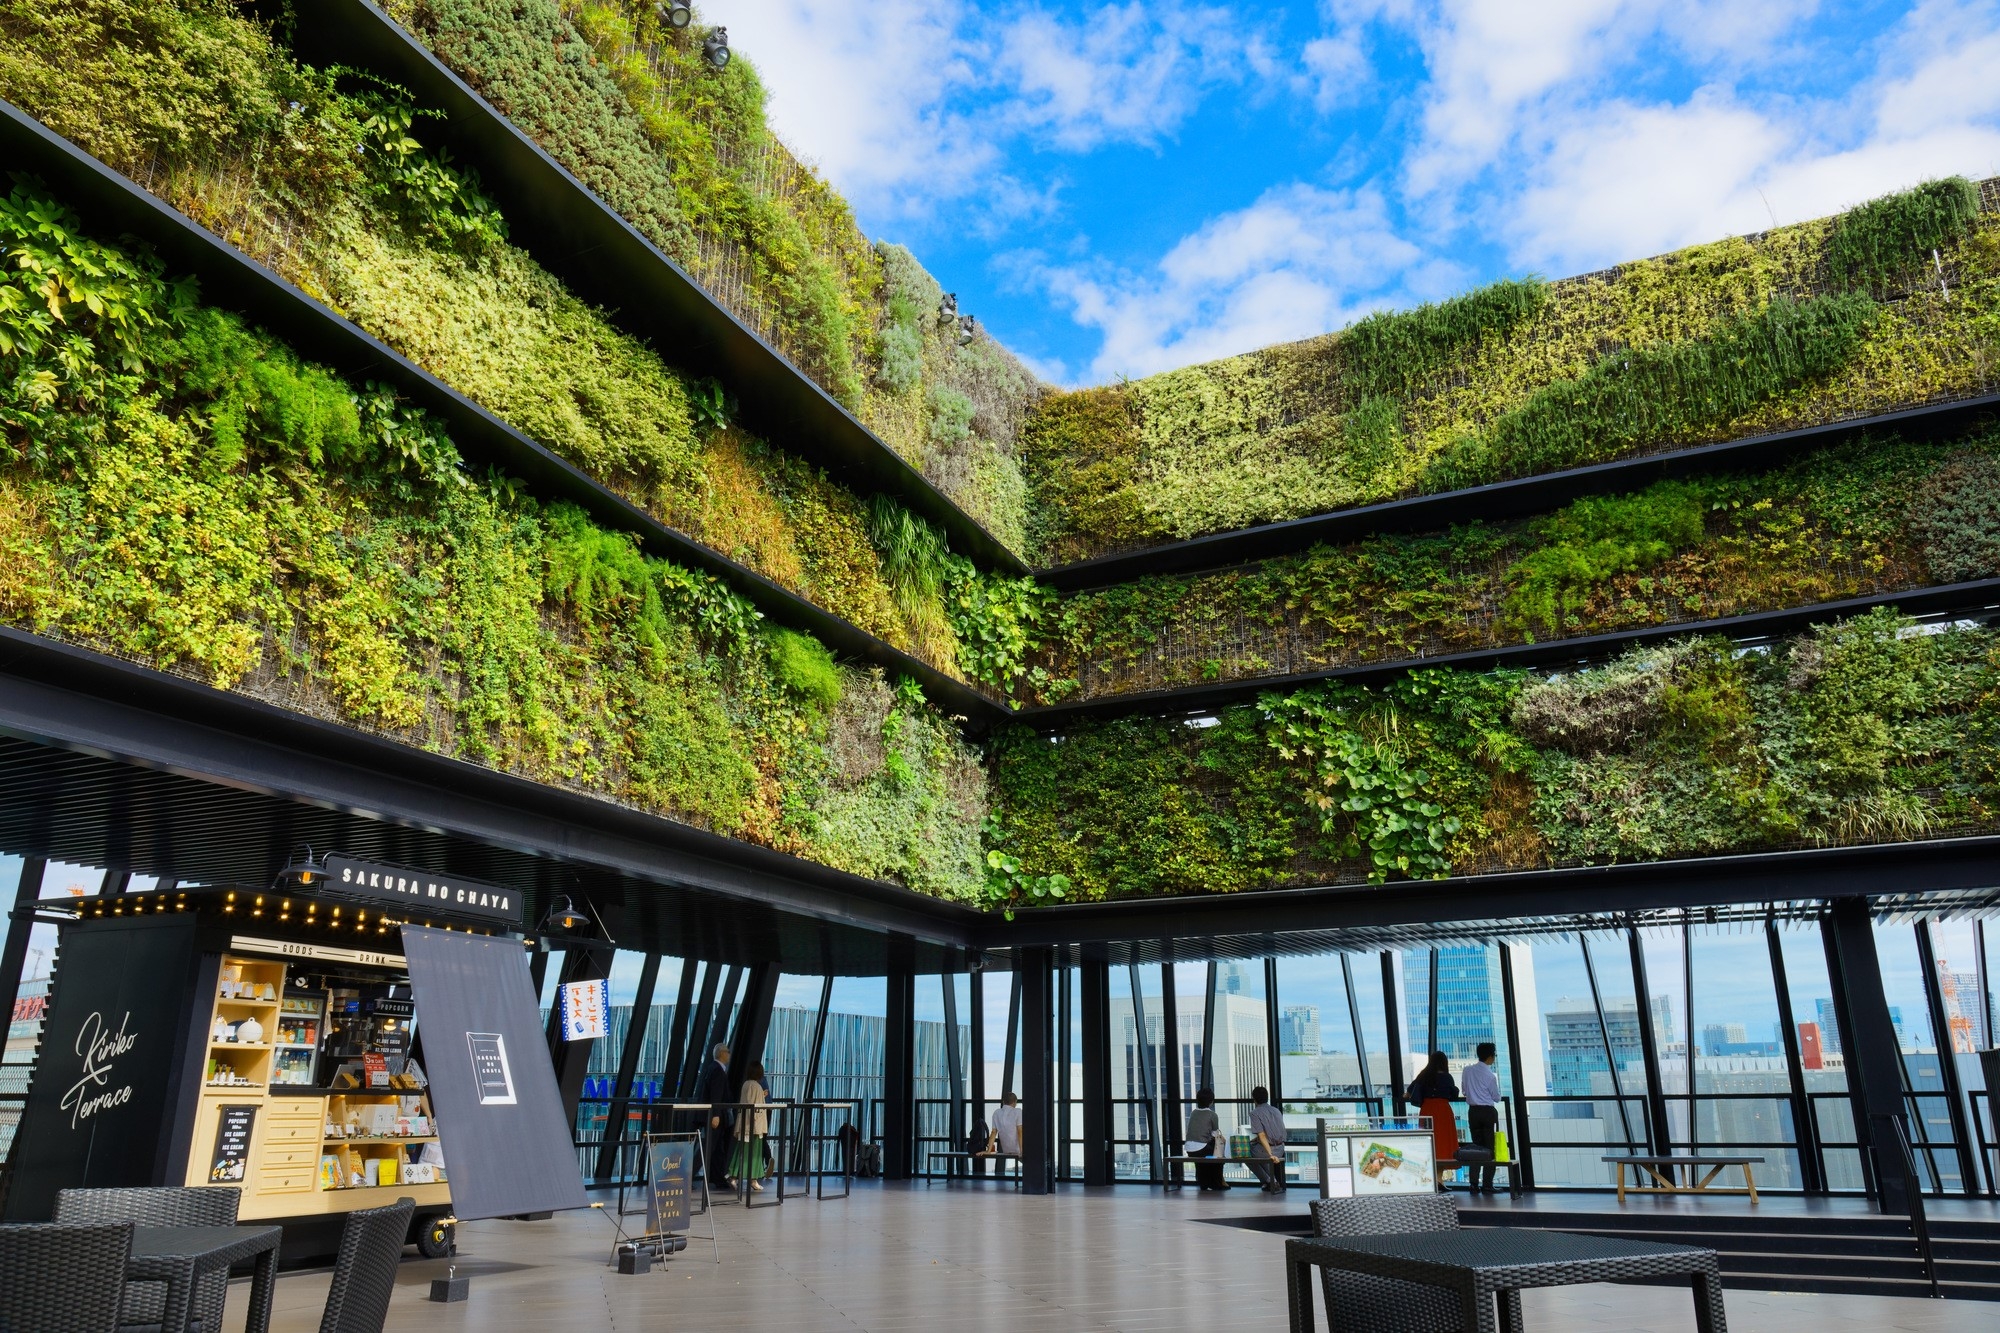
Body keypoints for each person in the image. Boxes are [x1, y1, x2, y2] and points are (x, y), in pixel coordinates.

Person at [1405, 1050, 1460, 1172]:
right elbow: (1453, 1094)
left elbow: (1409, 1092)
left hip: (1427, 1110)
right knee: (1444, 1141)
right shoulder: (1447, 1077)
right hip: (1443, 1110)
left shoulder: (1424, 1076)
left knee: (1429, 1141)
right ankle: (1440, 1179)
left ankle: (1432, 1178)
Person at [1462, 1041, 1502, 1194]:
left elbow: (1465, 1091)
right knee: (1489, 1149)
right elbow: (1496, 1098)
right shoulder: (1490, 1076)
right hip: (1487, 1112)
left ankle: (1473, 1184)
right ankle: (1487, 1184)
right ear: (1490, 1057)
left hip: (1473, 1112)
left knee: (1476, 1148)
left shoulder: (1467, 1070)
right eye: (1494, 1055)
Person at [697, 1042, 734, 1191]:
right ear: (722, 1054)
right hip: (714, 1116)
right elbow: (716, 1094)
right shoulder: (718, 1070)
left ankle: (717, 1177)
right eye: (728, 1052)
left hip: (712, 1115)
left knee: (717, 1148)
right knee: (711, 1147)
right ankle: (715, 1177)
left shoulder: (713, 1068)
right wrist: (716, 1115)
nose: (730, 1054)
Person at [731, 1060, 771, 1192]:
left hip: (744, 1124)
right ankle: (753, 1179)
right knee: (755, 1153)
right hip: (754, 1126)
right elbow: (757, 1107)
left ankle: (734, 1176)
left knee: (741, 1150)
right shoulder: (756, 1086)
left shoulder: (746, 1084)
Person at [1183, 1088, 1228, 1191]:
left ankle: (1204, 1182)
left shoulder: (1193, 1113)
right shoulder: (1212, 1115)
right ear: (1211, 1101)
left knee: (1203, 1161)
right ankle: (1218, 1183)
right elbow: (1215, 1134)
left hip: (1189, 1149)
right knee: (1219, 1154)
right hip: (1202, 1148)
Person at [1247, 1086, 1288, 1193]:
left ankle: (1269, 1181)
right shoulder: (1276, 1110)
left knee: (1246, 1154)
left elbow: (1262, 1135)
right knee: (1258, 1150)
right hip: (1281, 1148)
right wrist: (1256, 1140)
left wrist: (1270, 1154)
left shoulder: (1255, 1113)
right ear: (1267, 1097)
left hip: (1270, 1151)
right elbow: (1272, 1132)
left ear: (1254, 1099)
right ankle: (1271, 1182)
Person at [985, 1091, 1023, 1158]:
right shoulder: (1018, 1111)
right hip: (1018, 1149)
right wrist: (1022, 1151)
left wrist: (988, 1151)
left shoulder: (996, 1113)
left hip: (1006, 1149)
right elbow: (1020, 1131)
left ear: (1003, 1102)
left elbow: (993, 1132)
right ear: (1015, 1102)